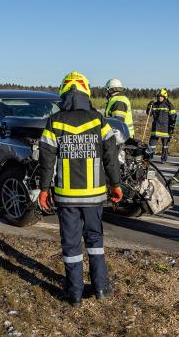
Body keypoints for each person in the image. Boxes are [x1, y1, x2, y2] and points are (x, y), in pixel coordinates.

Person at [38, 72, 122, 308]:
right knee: (95, 241)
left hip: (66, 197)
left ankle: (74, 293)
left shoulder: (54, 122)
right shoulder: (98, 120)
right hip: (94, 196)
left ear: (63, 93)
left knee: (72, 244)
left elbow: (46, 160)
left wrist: (44, 189)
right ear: (86, 92)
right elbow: (111, 157)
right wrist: (116, 184)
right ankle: (102, 288)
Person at [146, 88, 176, 163]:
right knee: (151, 144)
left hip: (166, 129)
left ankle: (163, 159)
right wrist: (149, 106)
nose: (160, 98)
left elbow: (173, 117)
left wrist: (172, 127)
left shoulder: (169, 105)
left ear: (165, 97)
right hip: (156, 128)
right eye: (159, 96)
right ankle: (149, 158)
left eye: (161, 96)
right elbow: (149, 114)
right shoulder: (154, 105)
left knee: (165, 145)